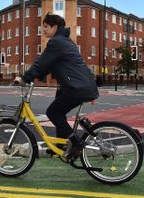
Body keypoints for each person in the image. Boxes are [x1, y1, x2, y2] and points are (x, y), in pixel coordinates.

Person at [14, 13, 99, 159]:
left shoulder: (56, 42)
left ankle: (75, 143)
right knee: (59, 112)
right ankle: (60, 145)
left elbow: (41, 63)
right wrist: (37, 76)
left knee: (53, 113)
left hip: (76, 87)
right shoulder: (66, 41)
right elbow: (50, 64)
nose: (43, 30)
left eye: (46, 27)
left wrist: (25, 78)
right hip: (79, 85)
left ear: (55, 27)